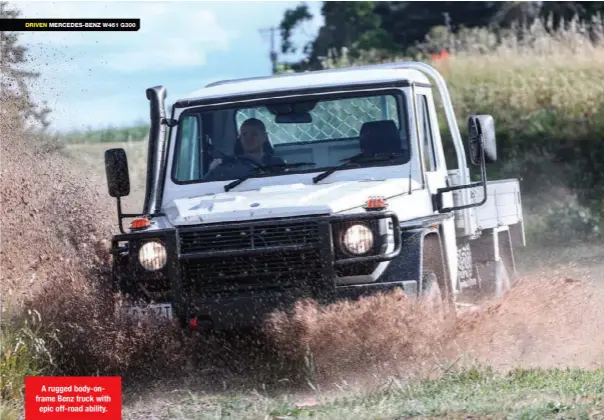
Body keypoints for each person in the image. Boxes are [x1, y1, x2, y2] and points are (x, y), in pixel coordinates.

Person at [204, 118, 285, 181]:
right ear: (239, 138)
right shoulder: (228, 167)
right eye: (244, 134)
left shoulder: (276, 164)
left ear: (264, 137)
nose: (249, 138)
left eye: (254, 134)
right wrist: (213, 169)